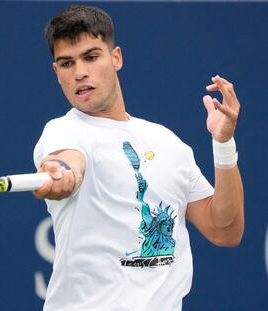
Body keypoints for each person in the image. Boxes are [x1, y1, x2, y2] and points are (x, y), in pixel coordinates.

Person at [33, 5, 244, 311]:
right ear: (57, 72)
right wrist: (62, 173)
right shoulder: (62, 131)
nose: (80, 72)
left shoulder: (167, 142)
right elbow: (67, 162)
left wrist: (223, 144)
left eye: (91, 57)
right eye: (67, 63)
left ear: (115, 57)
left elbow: (225, 230)